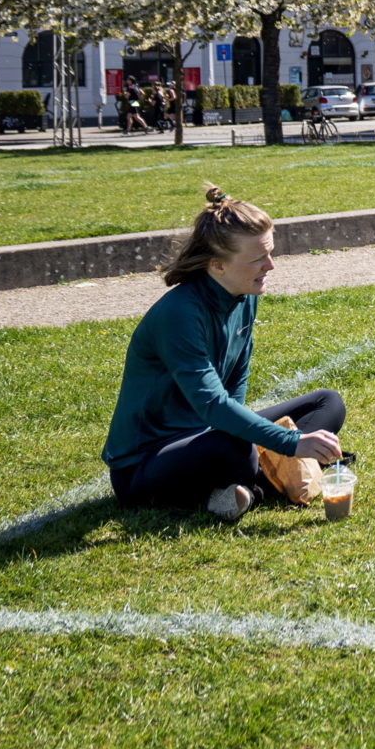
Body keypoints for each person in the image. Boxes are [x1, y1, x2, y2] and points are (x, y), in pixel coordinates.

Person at [103, 184, 347, 522]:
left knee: (327, 402)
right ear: (217, 265)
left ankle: (251, 490)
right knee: (235, 448)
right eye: (259, 258)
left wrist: (269, 437)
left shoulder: (244, 295)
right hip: (145, 464)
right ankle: (270, 480)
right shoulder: (180, 314)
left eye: (270, 252)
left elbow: (235, 386)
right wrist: (290, 444)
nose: (271, 266)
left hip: (207, 434)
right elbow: (213, 405)